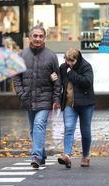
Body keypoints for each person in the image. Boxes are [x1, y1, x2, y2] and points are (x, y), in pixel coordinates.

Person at [13, 25, 61, 169]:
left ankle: (36, 156)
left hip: (45, 98)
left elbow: (56, 79)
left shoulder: (51, 56)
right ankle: (42, 154)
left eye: (41, 36)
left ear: (45, 38)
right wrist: (20, 93)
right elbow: (16, 77)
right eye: (35, 36)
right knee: (34, 129)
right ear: (29, 37)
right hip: (27, 97)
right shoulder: (21, 55)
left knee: (39, 125)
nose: (38, 39)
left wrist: (56, 98)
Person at [55, 48, 95, 168]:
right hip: (69, 103)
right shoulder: (63, 67)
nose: (69, 63)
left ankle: (86, 156)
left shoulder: (86, 66)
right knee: (69, 128)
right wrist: (54, 78)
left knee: (85, 131)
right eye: (67, 60)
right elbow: (60, 81)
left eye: (71, 61)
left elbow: (87, 82)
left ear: (77, 59)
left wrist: (71, 73)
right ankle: (66, 155)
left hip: (86, 104)